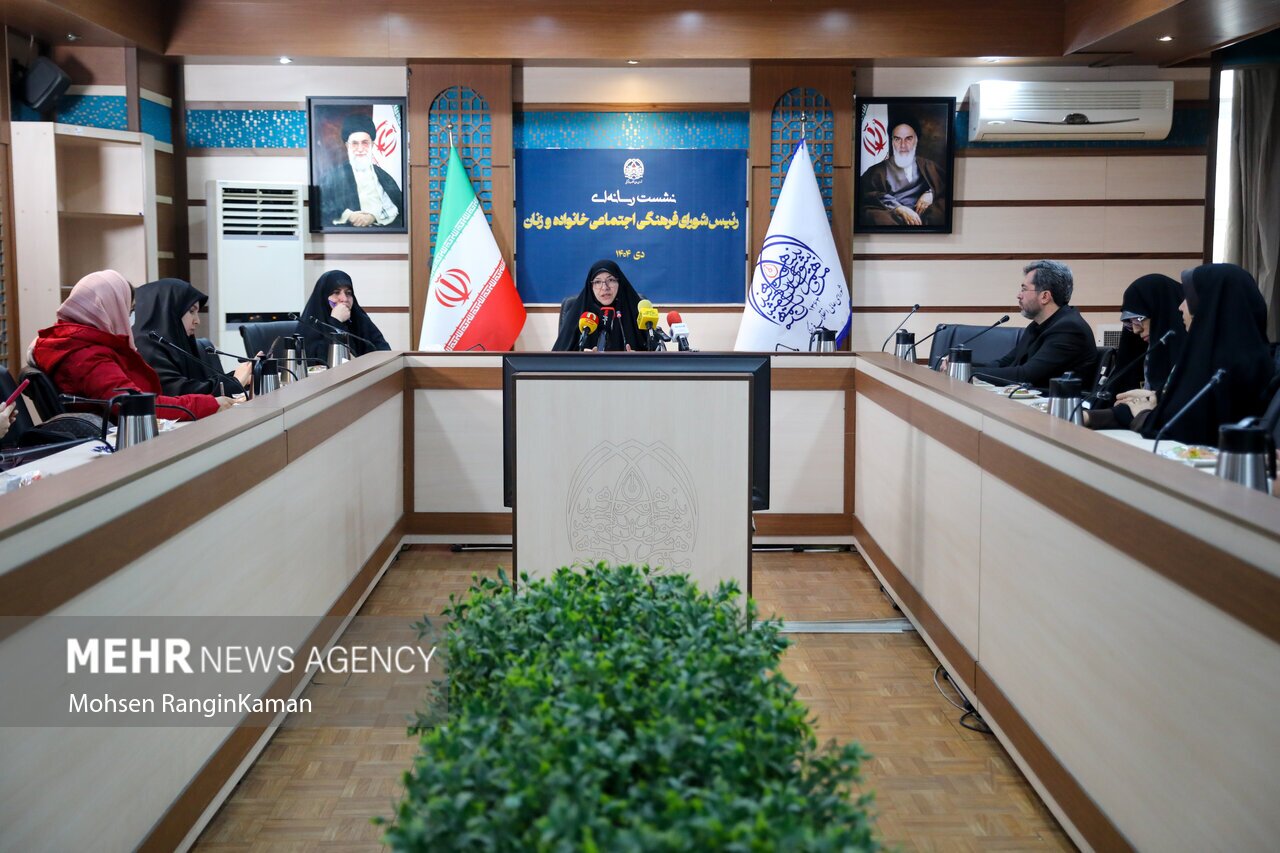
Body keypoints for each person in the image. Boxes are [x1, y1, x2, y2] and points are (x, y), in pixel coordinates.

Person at [29, 270, 230, 421]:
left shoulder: (77, 343)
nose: (131, 319)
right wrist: (207, 404)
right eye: (129, 310)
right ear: (111, 309)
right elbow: (135, 405)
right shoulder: (86, 356)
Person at [1113, 263, 1273, 446]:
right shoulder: (1226, 358)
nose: (1180, 307)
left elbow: (1183, 429)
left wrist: (1143, 415)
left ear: (1211, 304)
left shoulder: (1226, 369)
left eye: (1188, 298)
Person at [950, 260, 1098, 390]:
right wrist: (961, 366)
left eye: (1024, 289)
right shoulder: (1038, 326)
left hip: (1054, 408)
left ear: (1045, 296)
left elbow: (1025, 375)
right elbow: (1005, 363)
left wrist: (968, 372)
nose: (1019, 295)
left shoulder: (1069, 329)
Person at [1085, 274, 1187, 430]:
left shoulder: (1189, 355)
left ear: (1161, 313)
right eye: (1129, 322)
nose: (1135, 330)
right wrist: (1086, 417)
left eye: (1138, 319)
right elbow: (1131, 405)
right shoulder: (1146, 349)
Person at [132, 278, 253, 398]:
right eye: (191, 311)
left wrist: (244, 375)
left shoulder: (175, 342)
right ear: (168, 311)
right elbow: (180, 393)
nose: (197, 321)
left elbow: (200, 383)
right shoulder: (145, 347)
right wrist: (234, 382)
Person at [317, 113, 403, 228]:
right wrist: (349, 215)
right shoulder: (333, 177)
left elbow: (396, 208)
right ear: (347, 146)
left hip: (381, 232)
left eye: (365, 143)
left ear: (372, 145)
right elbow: (322, 206)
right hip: (346, 234)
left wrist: (373, 217)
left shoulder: (383, 176)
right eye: (355, 144)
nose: (360, 149)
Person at [858, 119, 947, 227]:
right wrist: (899, 208)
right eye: (897, 139)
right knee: (876, 217)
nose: (903, 145)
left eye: (908, 139)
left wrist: (930, 194)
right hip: (892, 215)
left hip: (923, 214)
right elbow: (868, 195)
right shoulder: (877, 170)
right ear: (892, 142)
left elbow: (944, 186)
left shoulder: (928, 166)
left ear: (916, 141)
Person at [552, 259, 650, 352]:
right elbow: (558, 357)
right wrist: (581, 357)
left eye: (611, 280)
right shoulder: (579, 313)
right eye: (598, 282)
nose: (604, 287)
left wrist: (638, 357)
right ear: (590, 286)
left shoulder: (635, 311)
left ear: (619, 282)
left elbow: (654, 352)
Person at [298, 270, 391, 361]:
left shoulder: (359, 319)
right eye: (336, 292)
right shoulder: (310, 324)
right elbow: (318, 361)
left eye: (348, 293)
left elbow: (384, 351)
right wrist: (336, 321)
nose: (344, 299)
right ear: (324, 296)